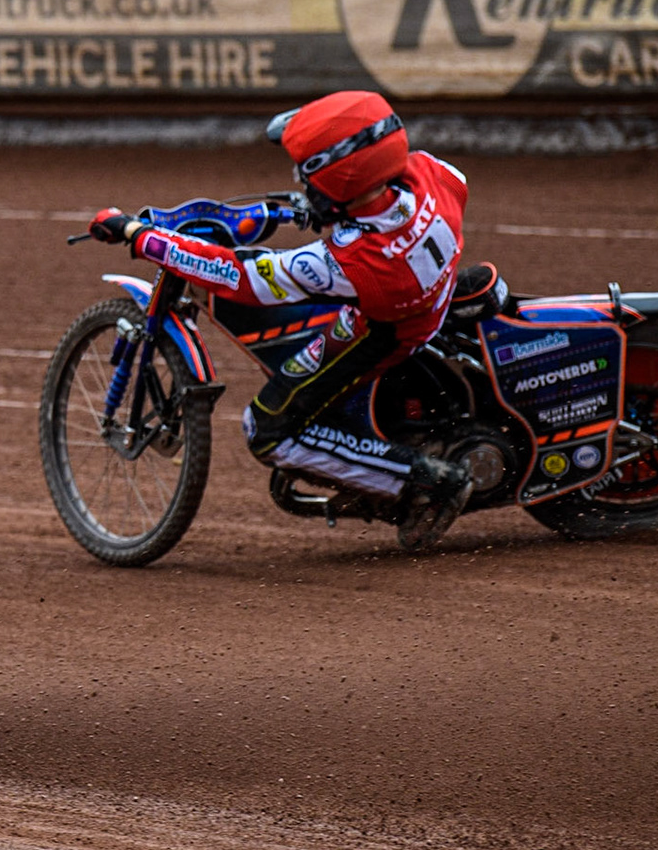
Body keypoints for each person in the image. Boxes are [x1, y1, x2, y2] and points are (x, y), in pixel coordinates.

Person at [88, 90, 475, 550]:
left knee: (265, 428)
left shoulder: (354, 259)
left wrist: (141, 236)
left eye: (309, 172)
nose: (301, 180)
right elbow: (400, 207)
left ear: (340, 173)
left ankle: (426, 481)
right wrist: (339, 209)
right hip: (431, 294)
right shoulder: (431, 173)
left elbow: (242, 277)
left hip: (383, 333)